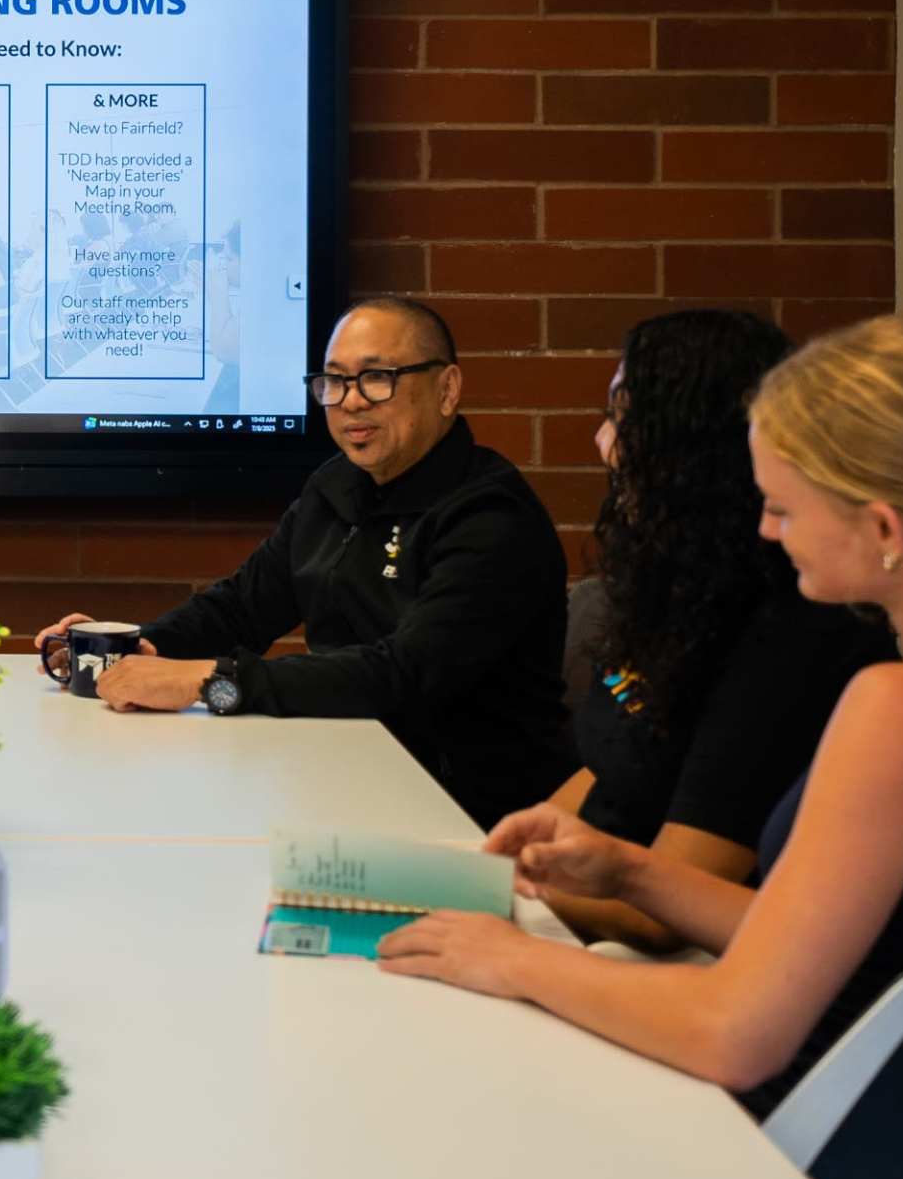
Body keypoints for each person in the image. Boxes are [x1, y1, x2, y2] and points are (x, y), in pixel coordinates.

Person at [374, 313, 903, 1179]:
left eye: (781, 506)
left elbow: (733, 1032)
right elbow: (845, 933)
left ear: (886, 529)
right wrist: (632, 871)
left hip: (798, 1172)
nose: (766, 530)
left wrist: (513, 958)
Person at [39, 294, 574, 825]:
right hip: (346, 776)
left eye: (377, 377)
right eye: (334, 381)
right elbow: (242, 608)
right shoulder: (337, 486)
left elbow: (402, 677)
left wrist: (209, 682)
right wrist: (130, 648)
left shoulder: (490, 516)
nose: (351, 402)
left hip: (467, 816)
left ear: (447, 388)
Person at [539, 309, 894, 950]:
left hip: (675, 955)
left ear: (689, 449)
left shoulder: (797, 635)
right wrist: (487, 858)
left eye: (621, 417)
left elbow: (667, 914)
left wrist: (497, 894)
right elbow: (611, 769)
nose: (602, 444)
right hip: (600, 921)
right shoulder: (684, 587)